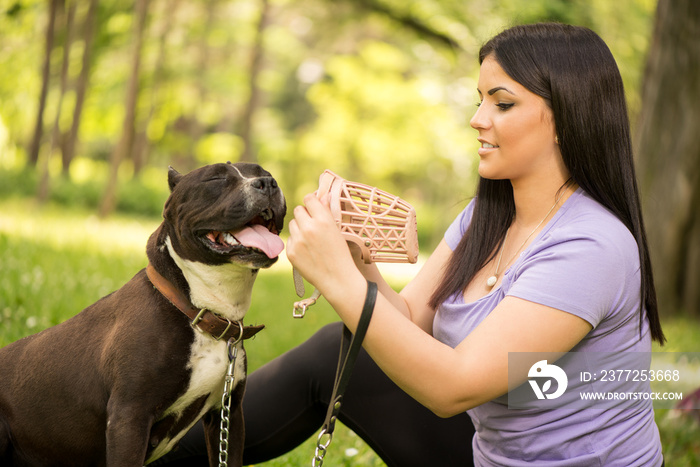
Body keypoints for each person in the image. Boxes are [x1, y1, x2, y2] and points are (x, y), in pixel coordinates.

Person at [157, 22, 665, 466]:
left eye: (502, 102)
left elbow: (454, 387)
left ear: (567, 119)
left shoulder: (591, 246)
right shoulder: (485, 217)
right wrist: (359, 266)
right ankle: (149, 458)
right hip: (490, 453)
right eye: (480, 98)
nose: (477, 119)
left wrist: (335, 278)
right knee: (335, 351)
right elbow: (408, 319)